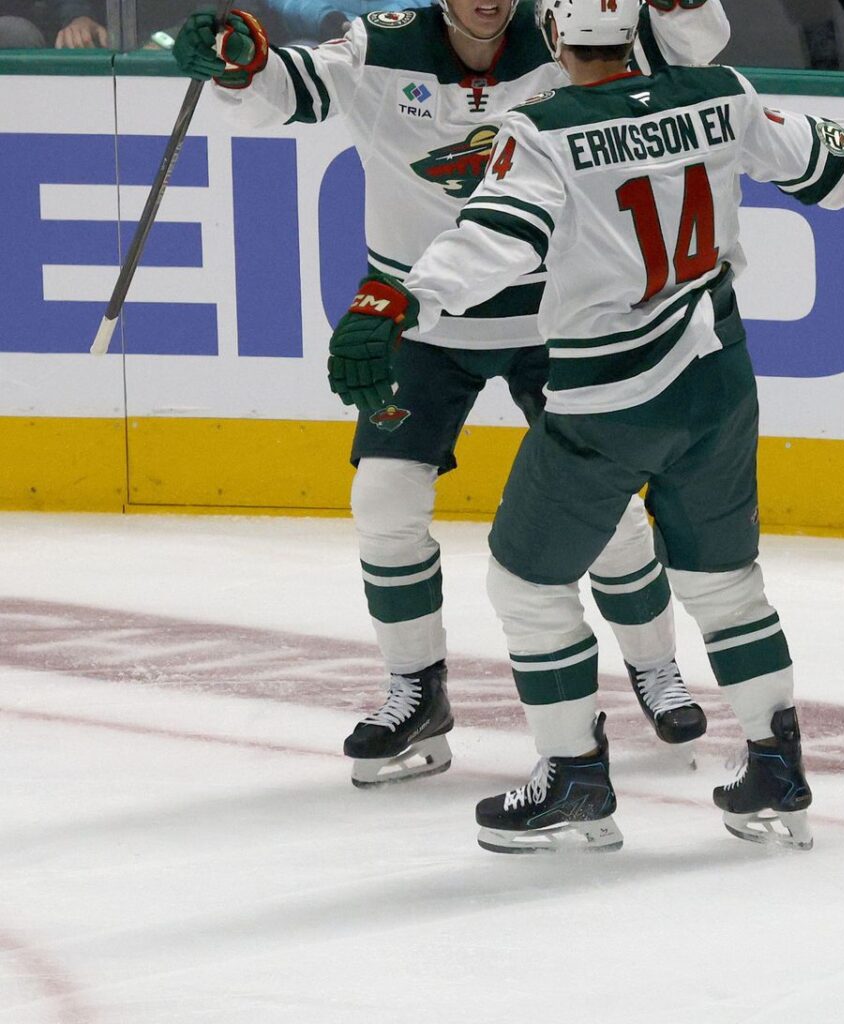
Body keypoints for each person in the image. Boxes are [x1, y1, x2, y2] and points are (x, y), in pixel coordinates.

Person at [320, 0, 844, 852]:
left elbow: (493, 244)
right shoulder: (718, 95)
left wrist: (395, 297)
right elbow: (831, 168)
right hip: (720, 385)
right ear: (634, 32)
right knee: (726, 584)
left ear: (555, 38)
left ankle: (575, 776)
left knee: (526, 583)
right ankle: (777, 767)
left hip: (609, 399)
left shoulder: (542, 130)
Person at [170, 0, 730, 789]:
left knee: (605, 512)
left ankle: (655, 668)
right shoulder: (383, 41)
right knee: (384, 499)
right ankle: (416, 691)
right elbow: (295, 87)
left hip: (552, 312)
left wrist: (686, 5)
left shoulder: (560, 34)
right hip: (418, 315)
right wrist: (243, 63)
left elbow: (689, 52)